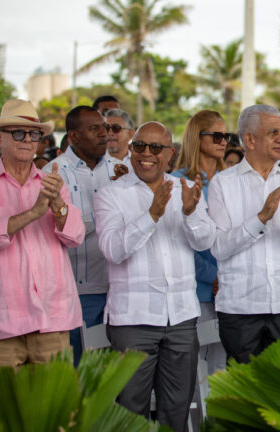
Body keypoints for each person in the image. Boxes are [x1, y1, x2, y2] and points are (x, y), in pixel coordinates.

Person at [95, 121, 215, 431]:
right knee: (129, 413)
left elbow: (205, 241)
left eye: (156, 148)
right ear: (131, 149)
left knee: (176, 412)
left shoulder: (185, 191)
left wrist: (189, 213)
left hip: (181, 318)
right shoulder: (110, 195)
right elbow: (113, 249)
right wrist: (152, 214)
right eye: (139, 146)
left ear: (170, 154)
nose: (146, 154)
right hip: (133, 321)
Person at [0, 99, 84, 368]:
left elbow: (75, 236)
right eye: (18, 132)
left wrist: (57, 205)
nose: (27, 139)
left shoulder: (52, 184)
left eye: (34, 134)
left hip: (52, 317)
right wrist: (33, 213)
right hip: (0, 322)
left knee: (55, 409)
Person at [207, 105, 280, 363]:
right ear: (250, 139)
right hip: (240, 308)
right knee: (244, 396)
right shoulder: (223, 183)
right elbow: (218, 247)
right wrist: (261, 218)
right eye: (272, 132)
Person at [43, 105, 111, 365]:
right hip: (74, 291)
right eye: (94, 129)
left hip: (117, 289)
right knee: (78, 373)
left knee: (114, 377)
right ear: (73, 136)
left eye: (104, 128)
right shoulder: (52, 173)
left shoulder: (121, 170)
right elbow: (59, 228)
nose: (103, 134)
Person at [171, 109, 231, 375]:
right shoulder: (177, 182)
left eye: (226, 136)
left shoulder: (231, 180)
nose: (223, 142)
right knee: (193, 370)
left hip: (231, 289)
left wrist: (228, 276)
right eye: (216, 136)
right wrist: (213, 276)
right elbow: (178, 242)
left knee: (222, 367)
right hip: (196, 291)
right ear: (197, 138)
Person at [104, 108, 134, 179]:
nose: (110, 133)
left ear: (130, 134)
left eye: (116, 128)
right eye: (106, 128)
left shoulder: (139, 164)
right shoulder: (93, 163)